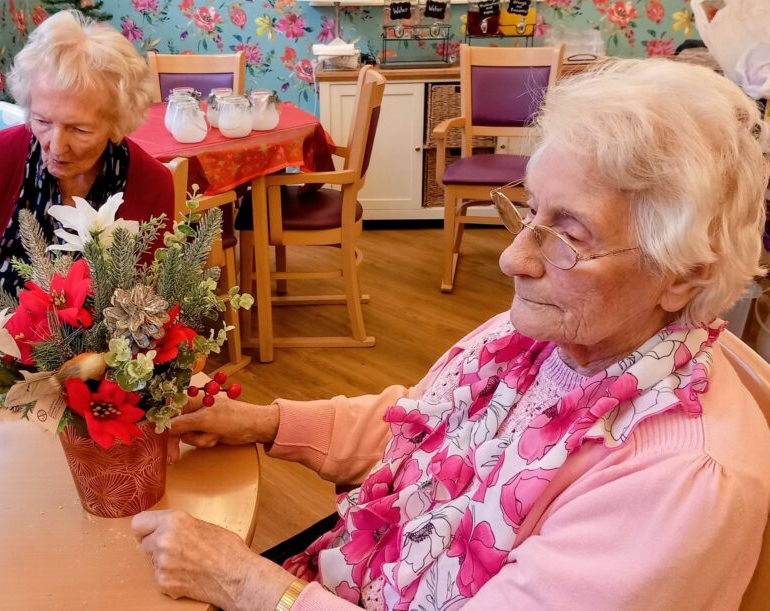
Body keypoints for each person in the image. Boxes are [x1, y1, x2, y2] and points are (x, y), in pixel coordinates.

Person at [131, 58, 770, 610]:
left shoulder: (675, 483)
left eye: (569, 236)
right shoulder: (551, 335)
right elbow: (425, 427)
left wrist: (242, 580)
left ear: (683, 277)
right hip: (359, 570)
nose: (514, 258)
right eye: (530, 211)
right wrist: (265, 421)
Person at [0, 11, 173, 294]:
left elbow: (152, 290)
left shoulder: (152, 183)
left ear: (117, 122)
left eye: (80, 130)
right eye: (42, 121)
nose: (56, 146)